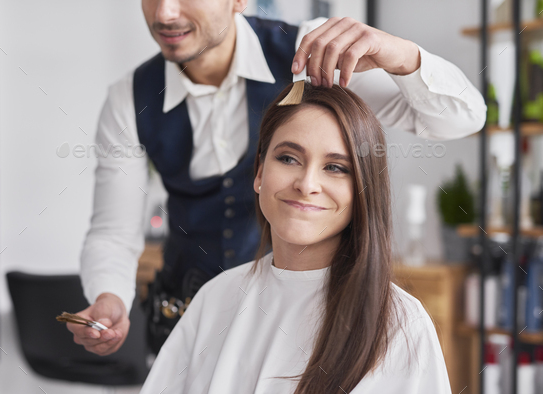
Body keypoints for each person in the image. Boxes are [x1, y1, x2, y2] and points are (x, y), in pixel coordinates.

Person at [67, 0, 486, 357]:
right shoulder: (130, 97)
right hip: (187, 320)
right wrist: (109, 297)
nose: (165, 13)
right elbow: (112, 230)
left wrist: (402, 56)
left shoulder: (312, 53)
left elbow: (463, 119)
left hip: (305, 320)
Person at [139, 81, 451, 394]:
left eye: (334, 167)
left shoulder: (401, 324)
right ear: (260, 173)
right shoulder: (215, 299)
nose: (306, 183)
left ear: (362, 190)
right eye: (288, 158)